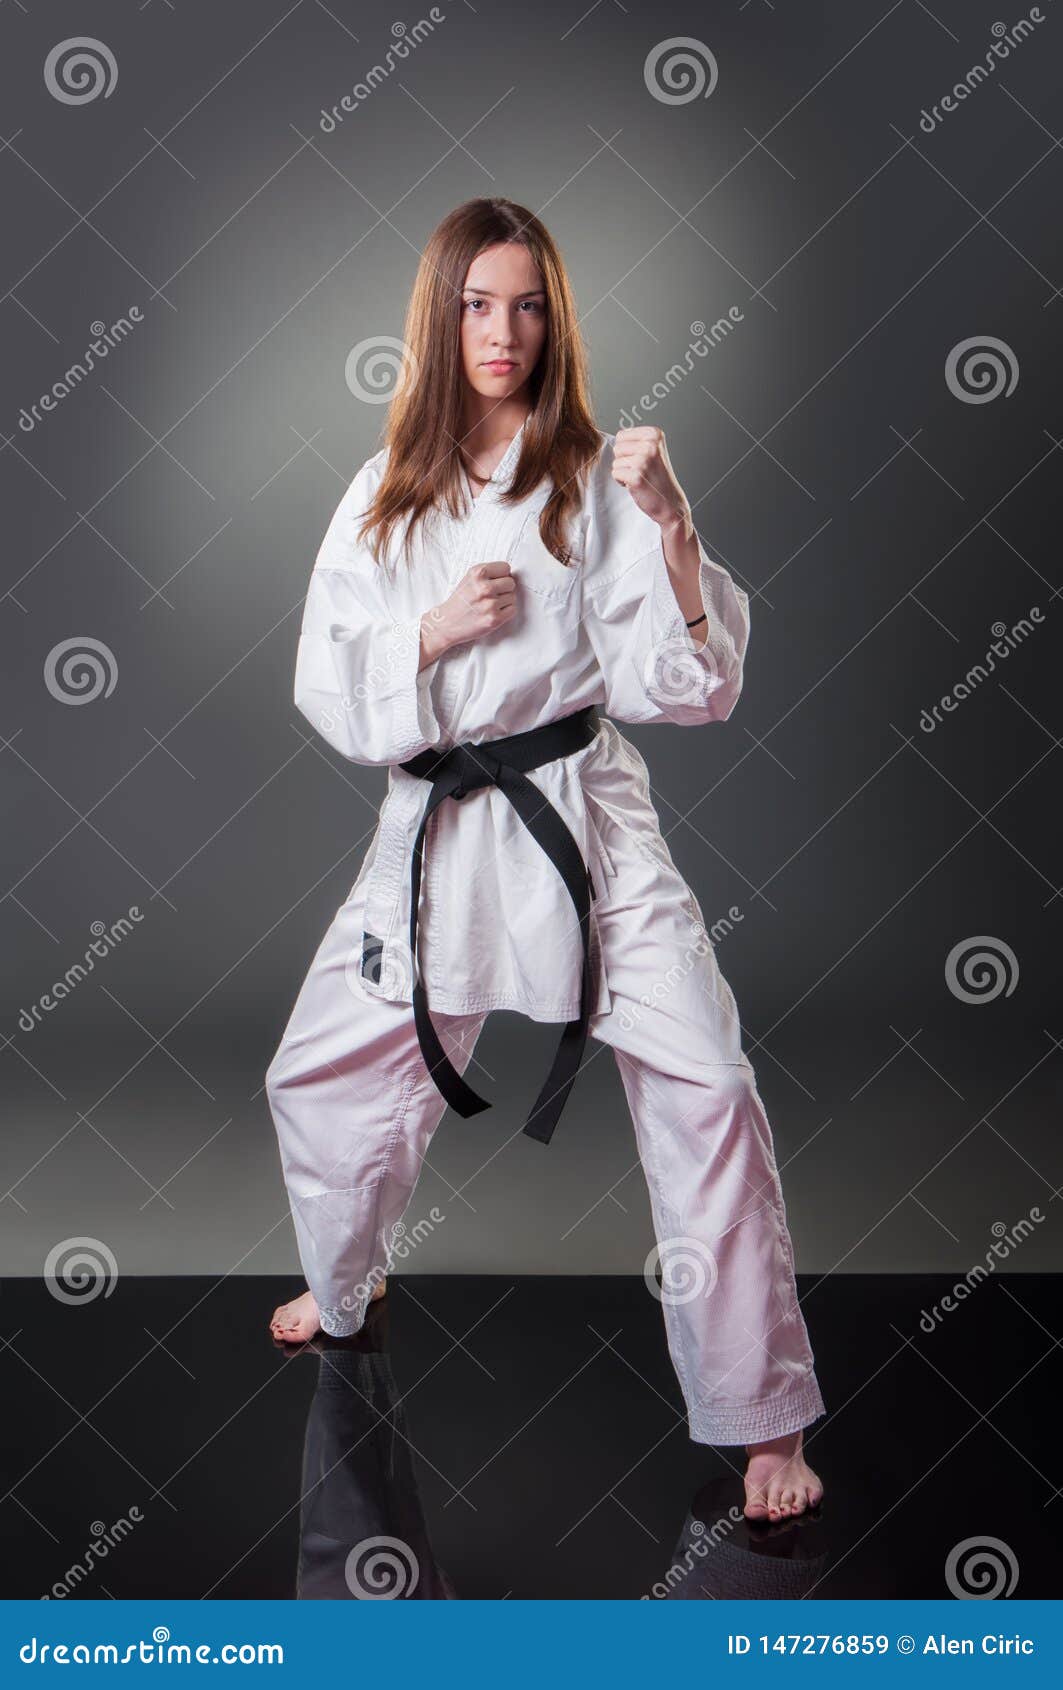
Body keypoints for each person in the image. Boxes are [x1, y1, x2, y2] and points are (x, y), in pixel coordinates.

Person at [266, 197, 825, 1522]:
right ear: (441, 316)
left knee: (710, 1088)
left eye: (525, 305)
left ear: (553, 316)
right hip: (438, 827)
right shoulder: (384, 490)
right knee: (317, 1074)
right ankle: (345, 1284)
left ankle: (763, 1417)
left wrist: (678, 530)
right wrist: (435, 634)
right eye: (476, 304)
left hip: (585, 821)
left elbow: (686, 688)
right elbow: (326, 684)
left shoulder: (598, 479)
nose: (502, 331)